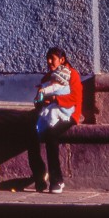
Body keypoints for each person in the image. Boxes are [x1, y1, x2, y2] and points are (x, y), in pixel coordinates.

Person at [26, 46, 82, 194]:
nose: (49, 61)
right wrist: (40, 102)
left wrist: (54, 99)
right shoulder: (47, 78)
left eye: (53, 58)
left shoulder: (72, 75)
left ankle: (57, 180)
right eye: (48, 58)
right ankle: (39, 174)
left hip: (68, 115)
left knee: (51, 136)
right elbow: (37, 100)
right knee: (30, 134)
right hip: (48, 115)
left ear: (62, 60)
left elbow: (74, 98)